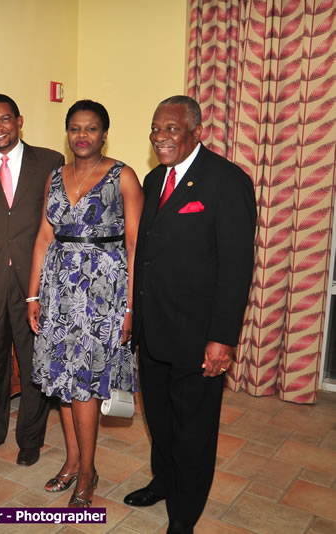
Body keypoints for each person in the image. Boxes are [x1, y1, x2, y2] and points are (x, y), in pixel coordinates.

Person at [125, 96, 256, 533]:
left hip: (197, 336)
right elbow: (145, 254)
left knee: (194, 432)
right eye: (155, 128)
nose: (160, 137)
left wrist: (222, 338)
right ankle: (163, 481)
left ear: (197, 132)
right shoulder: (152, 178)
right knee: (159, 421)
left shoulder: (226, 181)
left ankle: (184, 516)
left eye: (171, 129)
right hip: (153, 330)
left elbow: (237, 268)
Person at [27, 100, 143, 507]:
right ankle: (73, 461)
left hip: (102, 292)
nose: (82, 136)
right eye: (75, 128)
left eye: (91, 129)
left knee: (86, 386)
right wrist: (33, 294)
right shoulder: (55, 177)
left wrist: (130, 307)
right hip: (59, 290)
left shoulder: (122, 176)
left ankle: (88, 471)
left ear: (104, 133)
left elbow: (134, 245)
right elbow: (44, 237)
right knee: (62, 381)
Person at [0, 94, 64, 466]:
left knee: (34, 363)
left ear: (19, 121)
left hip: (34, 285)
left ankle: (30, 439)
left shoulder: (50, 161)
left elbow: (56, 225)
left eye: (4, 119)